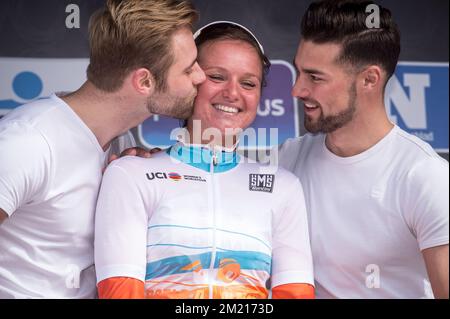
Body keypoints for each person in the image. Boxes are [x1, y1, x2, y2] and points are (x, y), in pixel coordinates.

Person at [94, 21, 315, 299]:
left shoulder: (283, 186)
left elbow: (295, 294)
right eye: (217, 77)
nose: (232, 93)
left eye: (248, 83)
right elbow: (120, 293)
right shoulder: (130, 174)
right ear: (191, 80)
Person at [0, 0, 205, 298]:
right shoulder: (29, 142)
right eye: (188, 70)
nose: (200, 76)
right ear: (144, 81)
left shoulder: (122, 145)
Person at [278, 0, 449, 298]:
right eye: (298, 72)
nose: (297, 90)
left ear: (369, 79)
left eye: (315, 77)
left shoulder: (425, 176)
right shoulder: (288, 159)